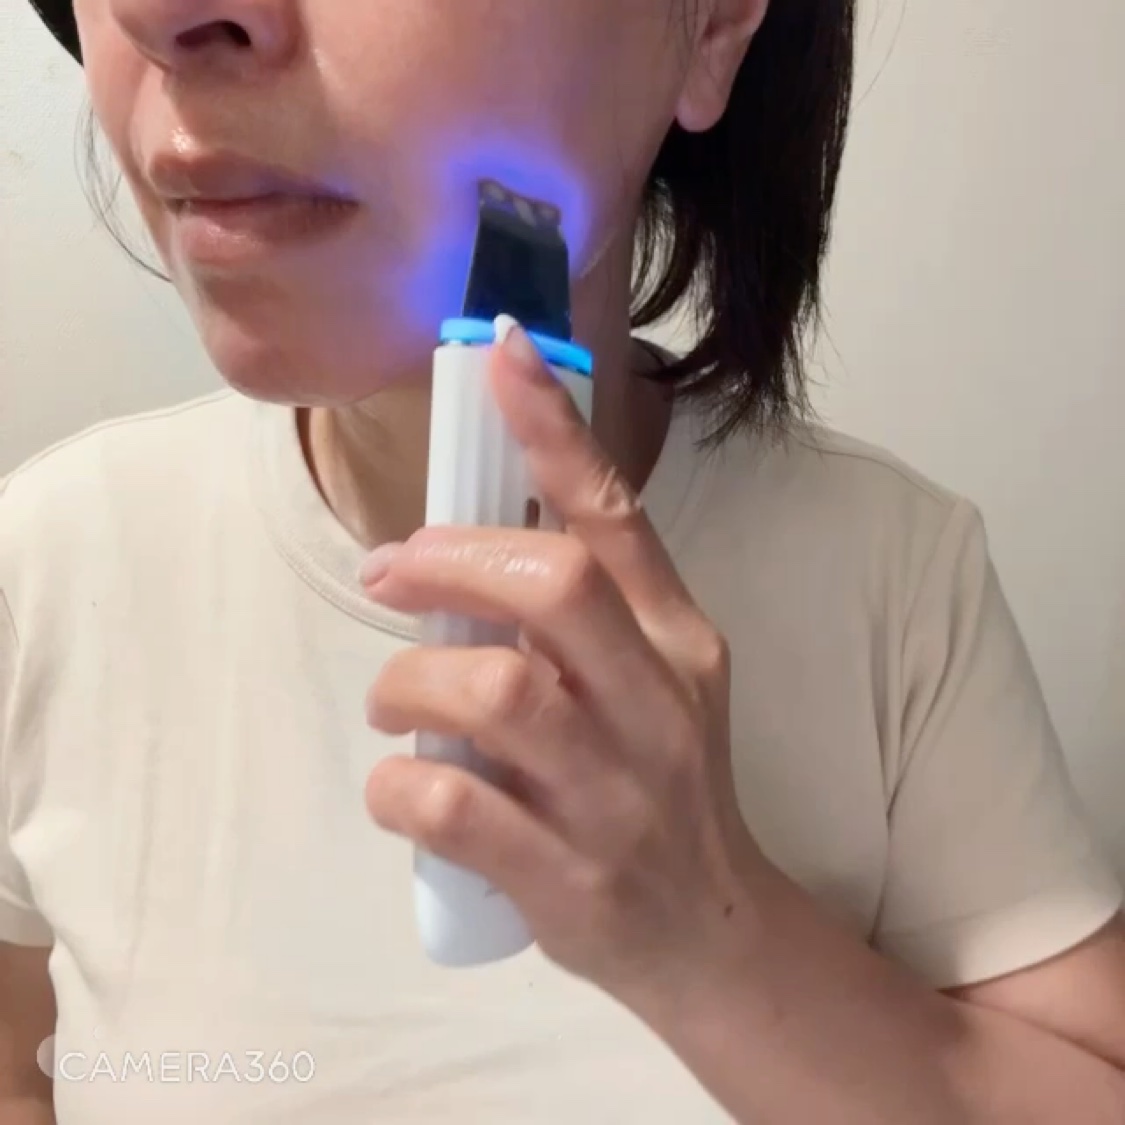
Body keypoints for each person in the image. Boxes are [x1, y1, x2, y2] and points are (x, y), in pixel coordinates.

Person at [4, 0, 1124, 1121]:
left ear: (710, 25)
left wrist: (718, 939)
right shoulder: (49, 562)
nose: (159, 13)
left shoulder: (893, 578)